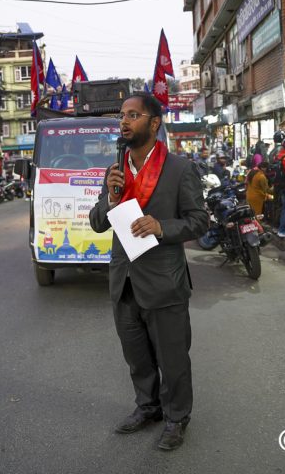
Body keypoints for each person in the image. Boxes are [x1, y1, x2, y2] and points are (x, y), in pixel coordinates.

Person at [89, 92, 209, 451]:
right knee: (136, 356)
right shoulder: (116, 171)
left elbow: (199, 221)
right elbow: (98, 223)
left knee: (172, 358)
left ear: (154, 123)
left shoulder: (179, 169)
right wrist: (110, 200)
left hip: (164, 282)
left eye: (133, 115)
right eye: (122, 116)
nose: (124, 122)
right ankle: (148, 407)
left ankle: (176, 418)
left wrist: (161, 227)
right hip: (123, 281)